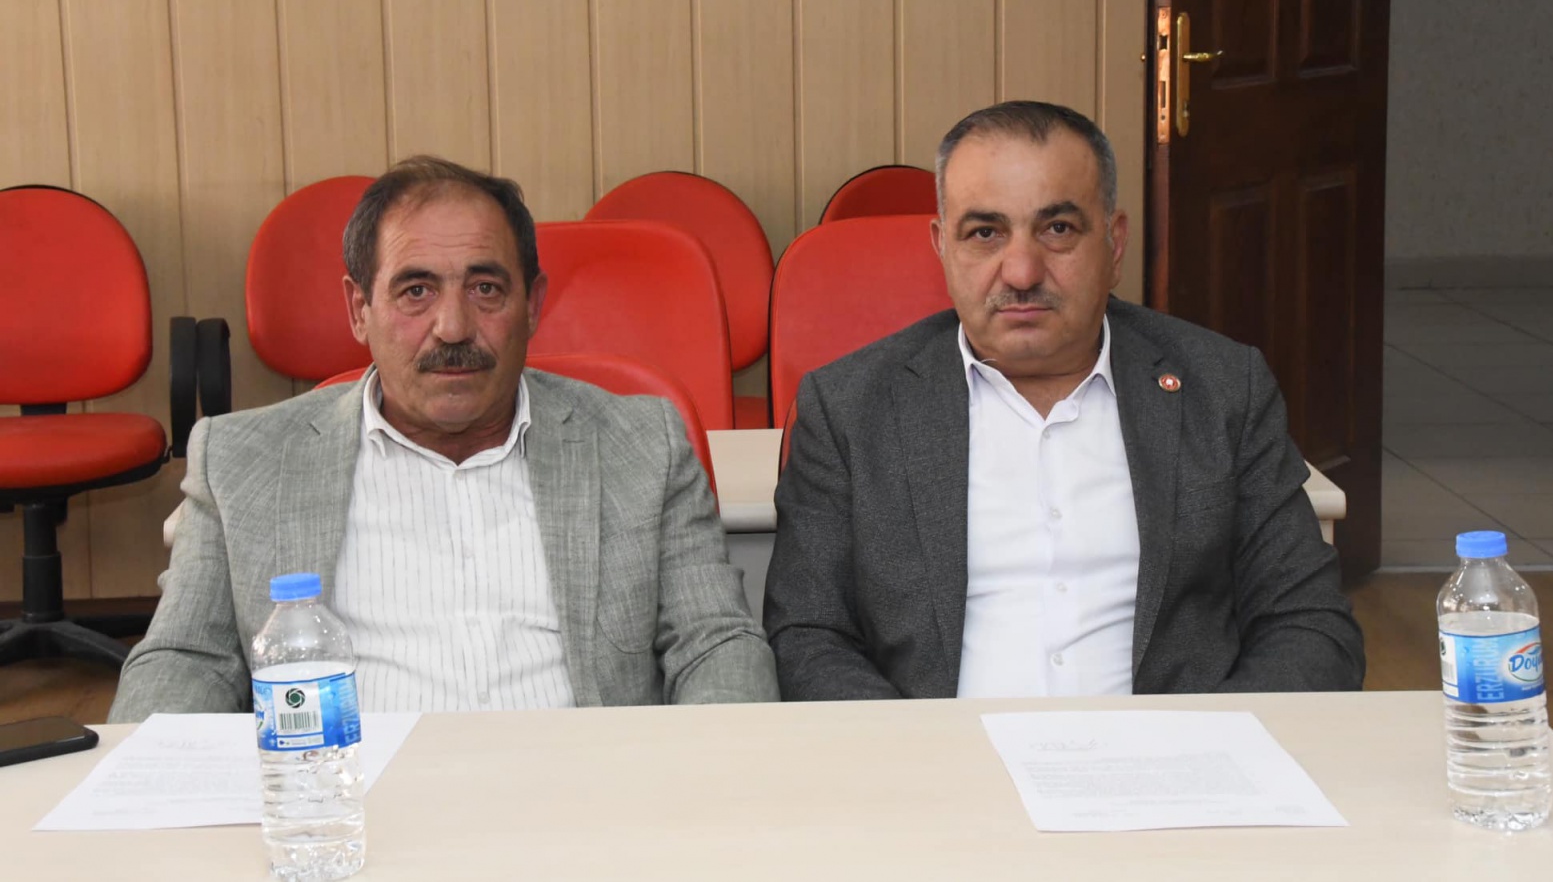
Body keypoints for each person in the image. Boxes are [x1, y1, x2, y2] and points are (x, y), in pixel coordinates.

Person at [111, 157, 777, 719]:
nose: (453, 327)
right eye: (415, 290)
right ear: (358, 309)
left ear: (533, 305)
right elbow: (185, 659)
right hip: (348, 803)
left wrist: (713, 787)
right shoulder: (243, 462)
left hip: (584, 802)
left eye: (485, 288)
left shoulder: (642, 445)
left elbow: (715, 642)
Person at [764, 101, 1364, 701]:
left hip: (1173, 752)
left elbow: (1309, 624)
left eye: (1057, 230)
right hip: (937, 754)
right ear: (942, 246)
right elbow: (808, 636)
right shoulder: (850, 409)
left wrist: (1207, 746)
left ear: (1115, 244)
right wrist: (919, 753)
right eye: (985, 233)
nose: (1022, 272)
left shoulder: (1223, 388)